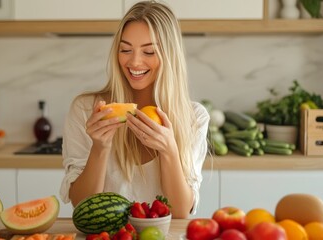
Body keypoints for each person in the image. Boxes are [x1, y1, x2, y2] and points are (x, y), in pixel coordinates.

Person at [60, 0, 210, 219]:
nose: (135, 62)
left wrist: (169, 151)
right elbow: (82, 207)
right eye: (125, 49)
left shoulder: (193, 117)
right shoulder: (85, 109)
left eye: (149, 52)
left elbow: (179, 214)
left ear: (170, 56)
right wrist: (99, 148)